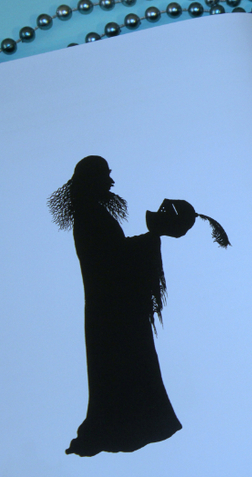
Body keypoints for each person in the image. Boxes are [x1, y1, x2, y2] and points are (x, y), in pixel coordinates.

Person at [48, 156, 182, 456]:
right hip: (114, 312)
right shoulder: (90, 215)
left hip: (112, 308)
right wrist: (154, 235)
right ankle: (117, 429)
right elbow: (112, 260)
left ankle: (115, 429)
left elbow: (114, 255)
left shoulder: (90, 213)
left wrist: (152, 236)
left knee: (121, 370)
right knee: (123, 367)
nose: (111, 182)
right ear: (93, 180)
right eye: (106, 176)